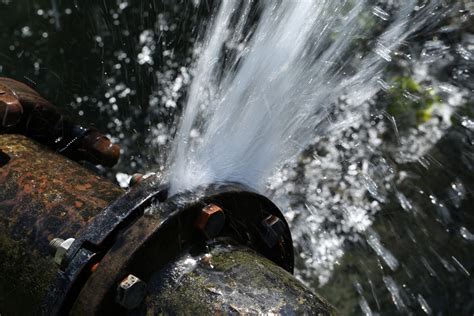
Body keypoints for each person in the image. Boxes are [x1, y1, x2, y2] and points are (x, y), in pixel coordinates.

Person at [0, 77, 120, 167]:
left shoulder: (37, 109)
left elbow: (67, 129)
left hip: (43, 130)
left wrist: (90, 139)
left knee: (106, 154)